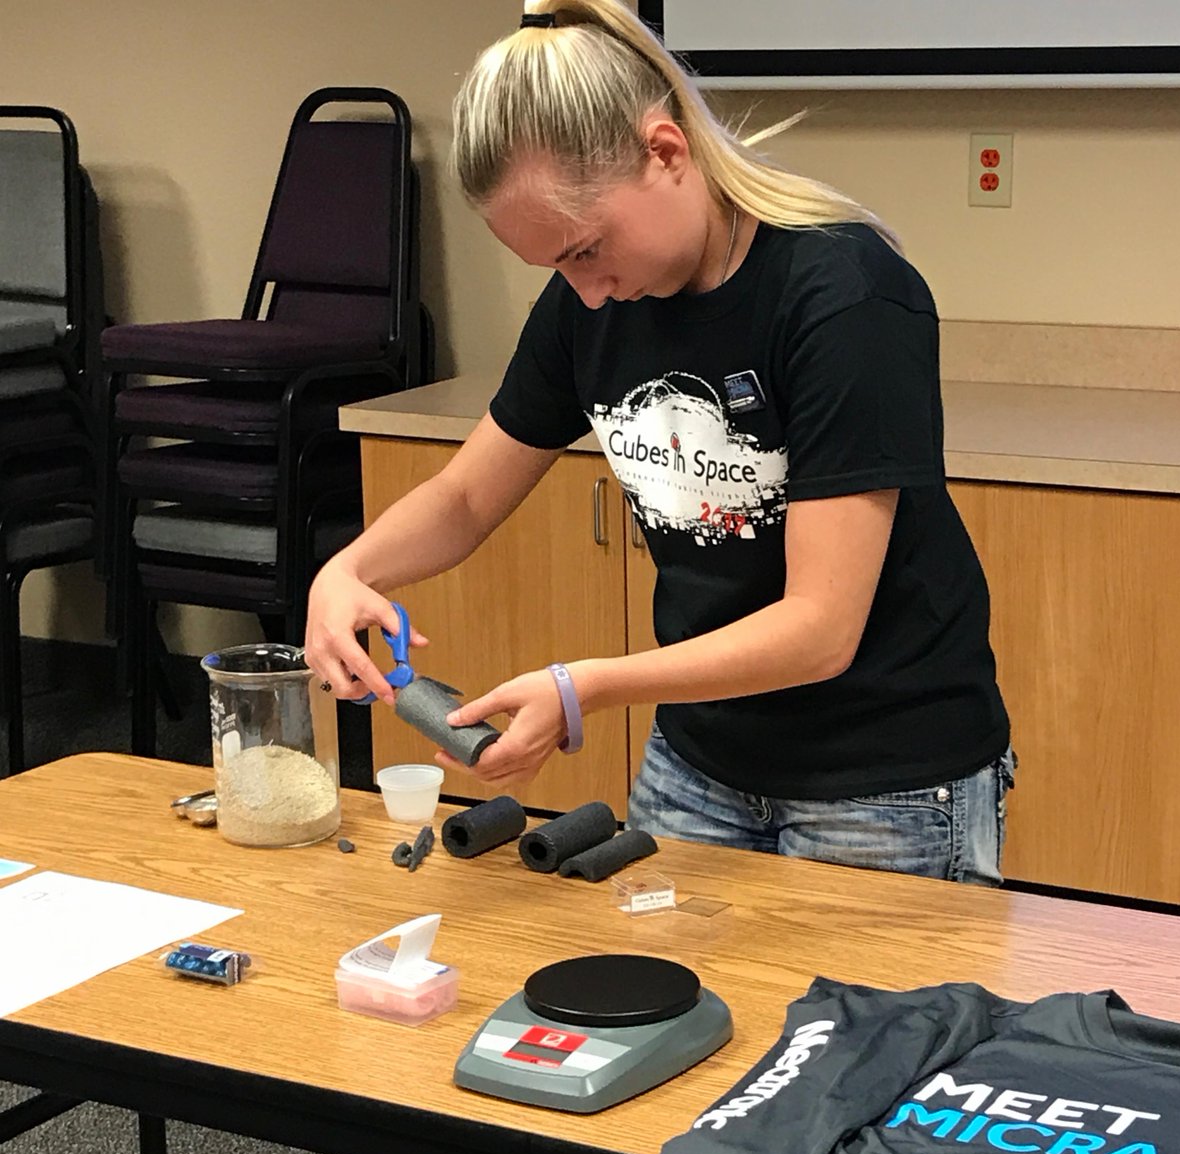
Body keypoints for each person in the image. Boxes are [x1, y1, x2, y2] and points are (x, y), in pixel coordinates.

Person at [304, 0, 1015, 885]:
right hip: (700, 762)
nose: (586, 292)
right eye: (556, 267)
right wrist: (349, 571)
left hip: (885, 783)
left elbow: (821, 629)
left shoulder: (844, 295)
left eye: (587, 250)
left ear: (667, 152)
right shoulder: (590, 304)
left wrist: (585, 687)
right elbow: (466, 496)